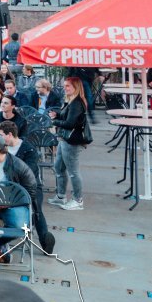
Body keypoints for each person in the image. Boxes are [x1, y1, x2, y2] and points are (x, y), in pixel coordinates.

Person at [0, 133, 52, 252]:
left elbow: (31, 189)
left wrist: (10, 203)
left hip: (12, 204)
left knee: (19, 227)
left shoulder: (18, 165)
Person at [50, 76, 91, 211]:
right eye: (64, 85)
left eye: (68, 86)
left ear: (76, 87)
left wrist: (54, 122)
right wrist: (57, 115)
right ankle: (61, 196)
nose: (65, 88)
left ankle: (78, 200)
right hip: (65, 139)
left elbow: (70, 123)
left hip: (72, 140)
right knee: (59, 167)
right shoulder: (71, 100)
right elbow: (67, 117)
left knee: (73, 172)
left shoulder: (76, 103)